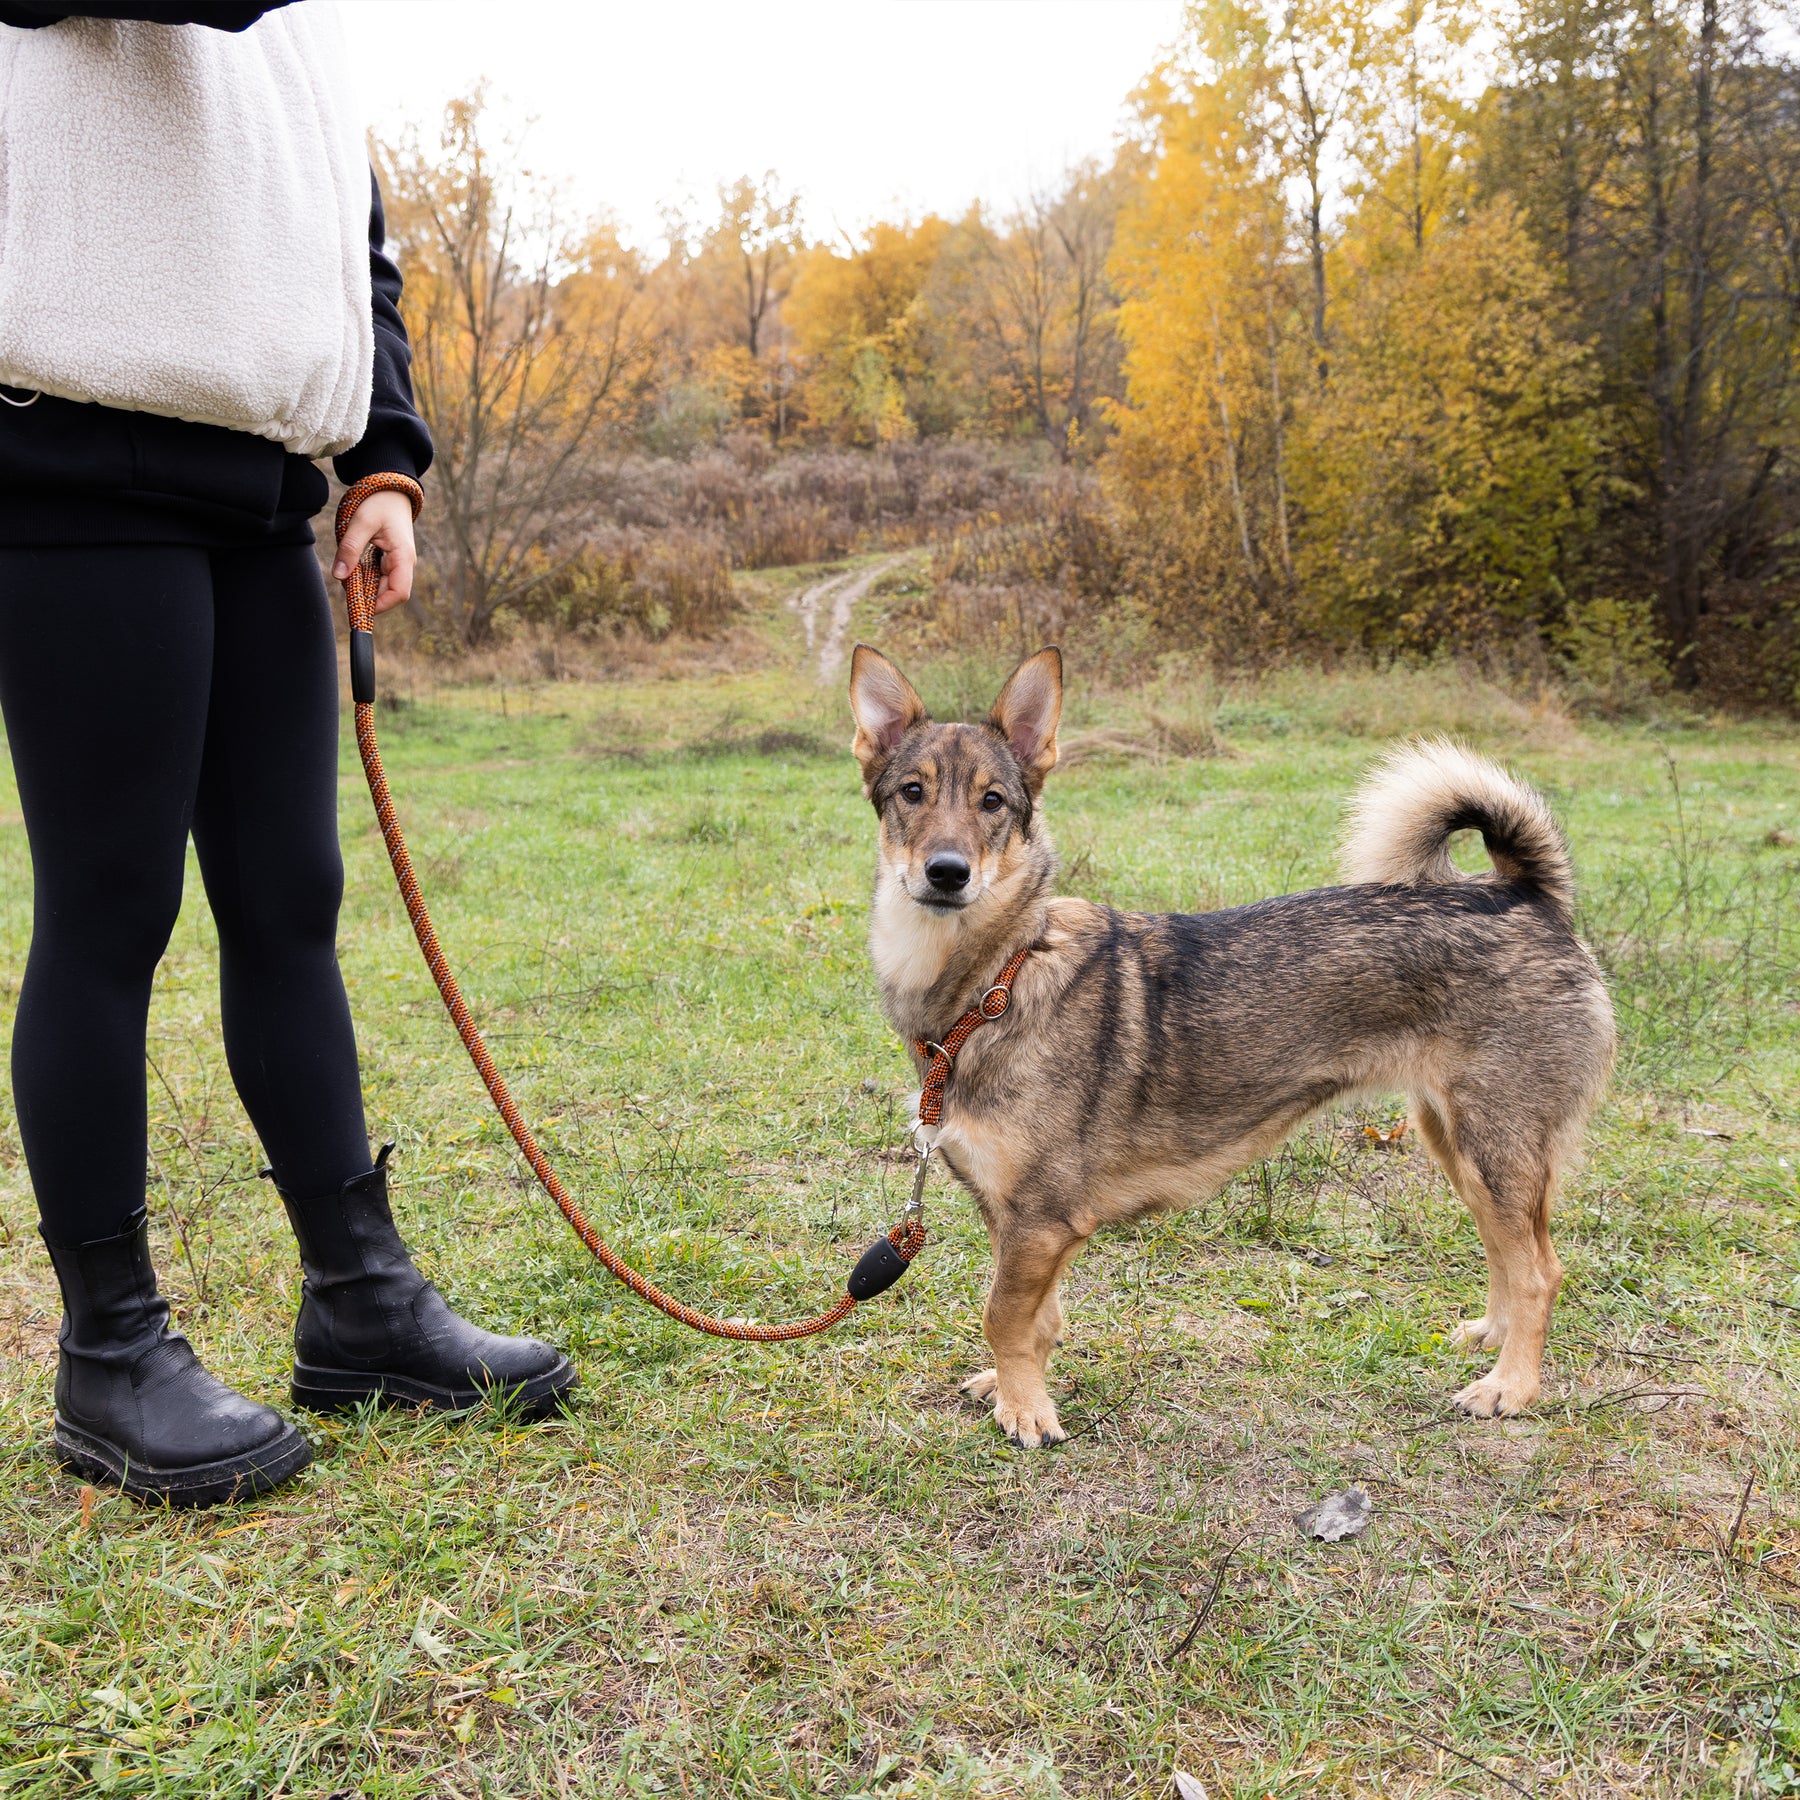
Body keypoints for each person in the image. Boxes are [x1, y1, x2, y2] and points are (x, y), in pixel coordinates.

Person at [0, 1, 575, 1508]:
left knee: (288, 902)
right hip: (76, 462)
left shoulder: (310, 35)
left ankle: (360, 1302)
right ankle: (110, 1353)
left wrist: (382, 453)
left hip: (257, 494)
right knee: (111, 910)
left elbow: (343, 225)